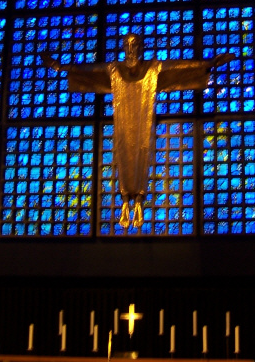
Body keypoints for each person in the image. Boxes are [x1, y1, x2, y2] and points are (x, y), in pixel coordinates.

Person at [42, 33, 235, 228]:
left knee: (143, 148)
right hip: (123, 121)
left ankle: (138, 200)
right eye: (127, 45)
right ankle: (126, 199)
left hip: (144, 120)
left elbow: (179, 67)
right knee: (124, 149)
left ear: (142, 48)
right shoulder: (114, 69)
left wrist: (209, 63)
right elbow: (89, 70)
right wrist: (61, 67)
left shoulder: (153, 69)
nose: (131, 50)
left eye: (134, 45)